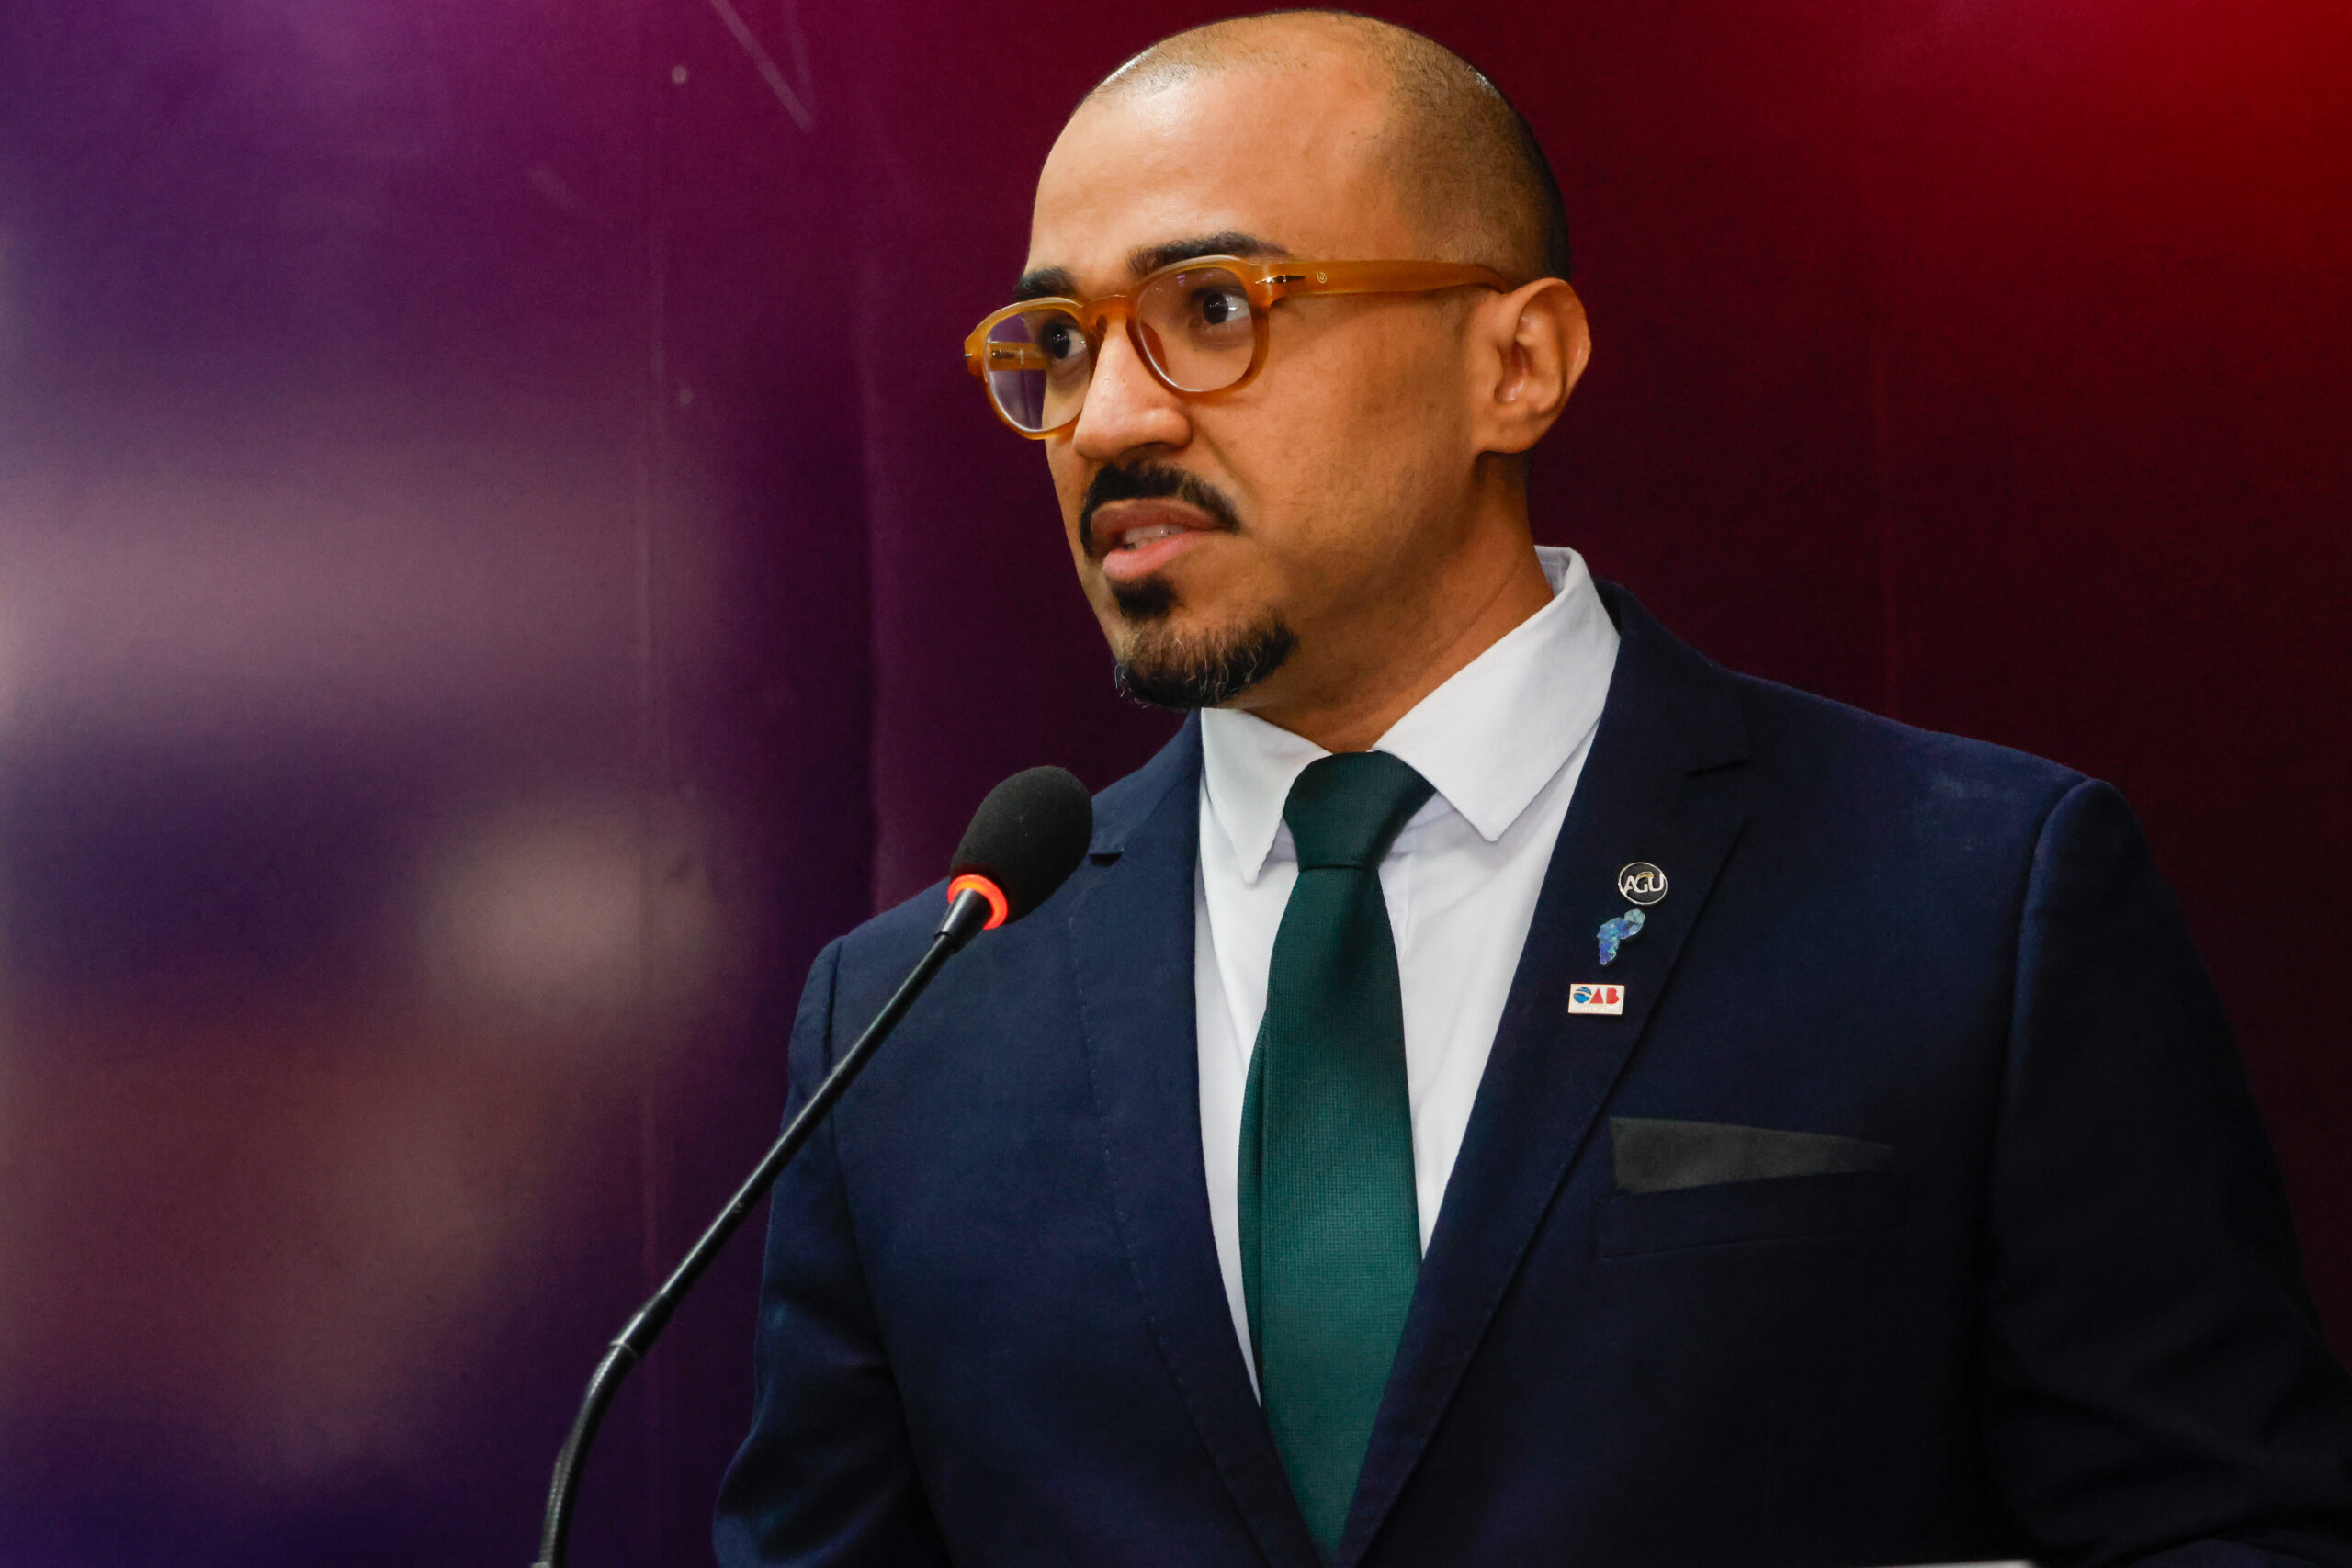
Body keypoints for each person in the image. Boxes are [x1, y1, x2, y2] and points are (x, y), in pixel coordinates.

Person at [716, 13, 2352, 1564]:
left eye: (1213, 308)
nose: (1107, 418)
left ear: (1519, 363)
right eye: (1059, 344)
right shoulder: (912, 1018)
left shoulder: (1975, 902)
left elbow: (2222, 1529)